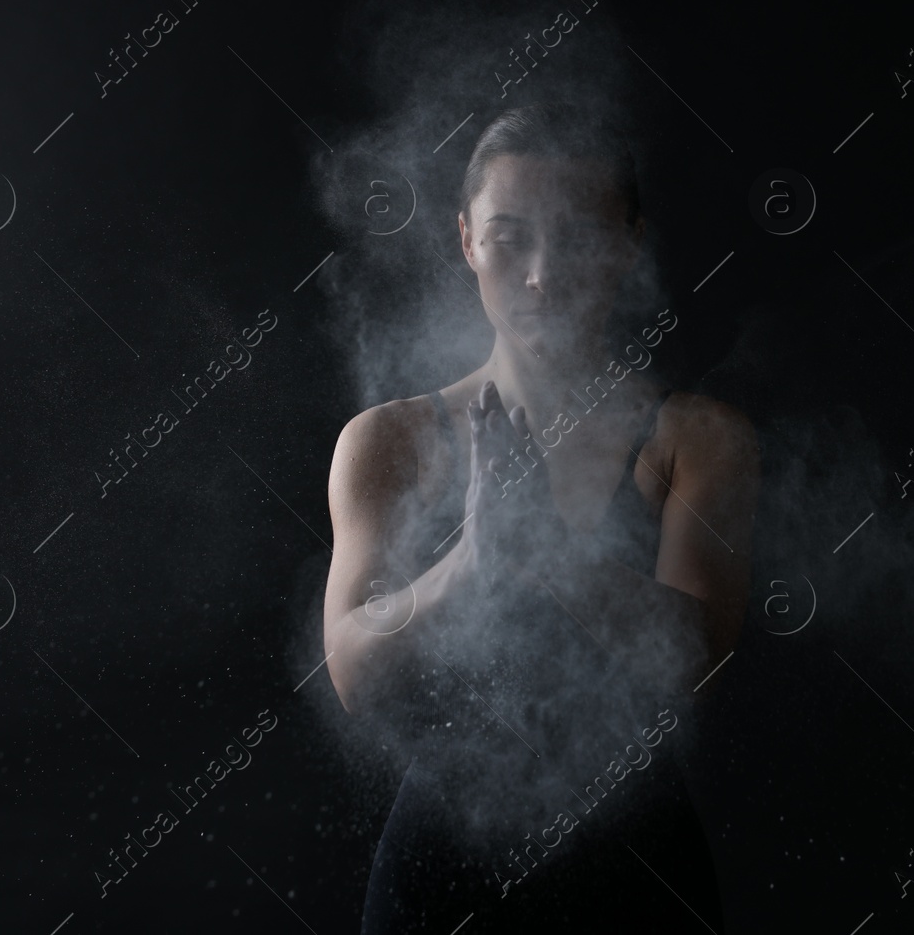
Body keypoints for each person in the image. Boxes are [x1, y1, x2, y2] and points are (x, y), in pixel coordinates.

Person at [323, 102, 760, 932]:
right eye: (510, 236)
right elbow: (350, 668)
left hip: (637, 870)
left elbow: (697, 658)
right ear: (465, 240)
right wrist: (474, 560)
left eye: (579, 235)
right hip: (438, 875)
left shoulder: (697, 437)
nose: (541, 274)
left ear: (630, 242)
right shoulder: (390, 440)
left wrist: (557, 558)